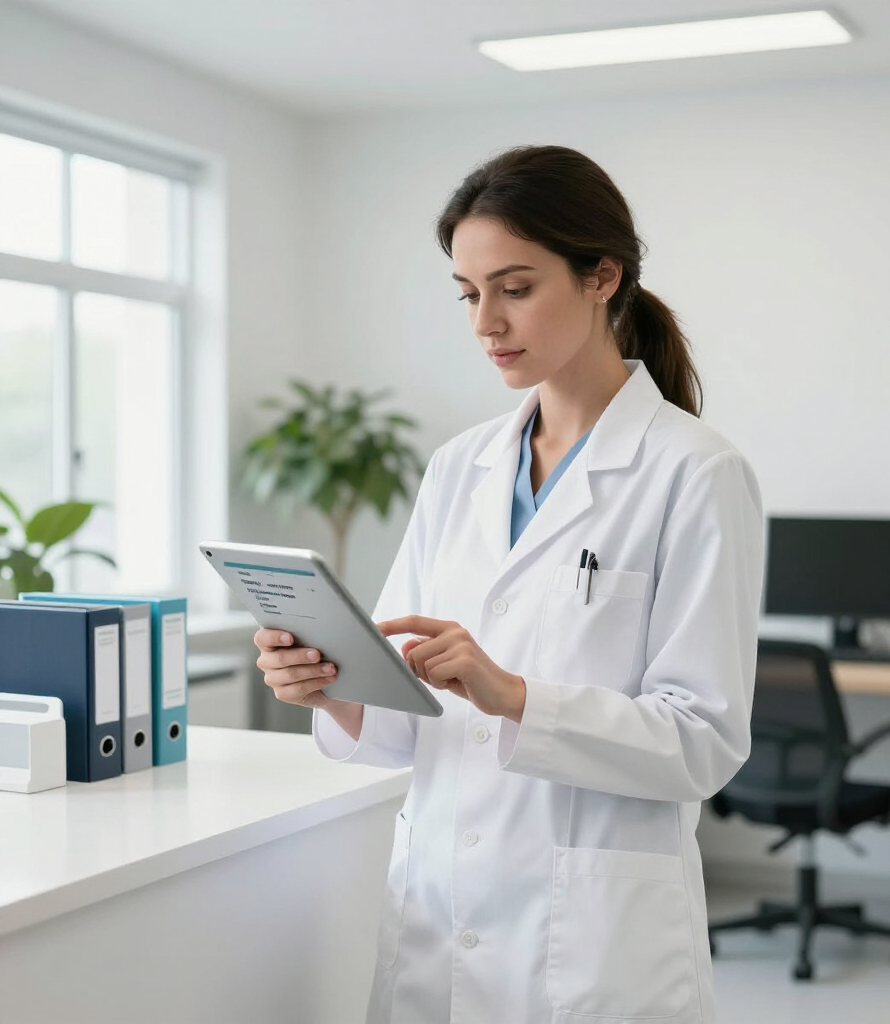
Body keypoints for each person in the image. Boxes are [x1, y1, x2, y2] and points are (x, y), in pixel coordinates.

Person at [255, 145, 764, 1024]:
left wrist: (513, 694)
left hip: (594, 941)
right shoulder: (461, 467)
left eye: (515, 287)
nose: (485, 321)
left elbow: (703, 744)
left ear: (602, 276)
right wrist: (334, 690)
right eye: (467, 291)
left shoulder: (694, 472)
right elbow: (403, 715)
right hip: (441, 916)